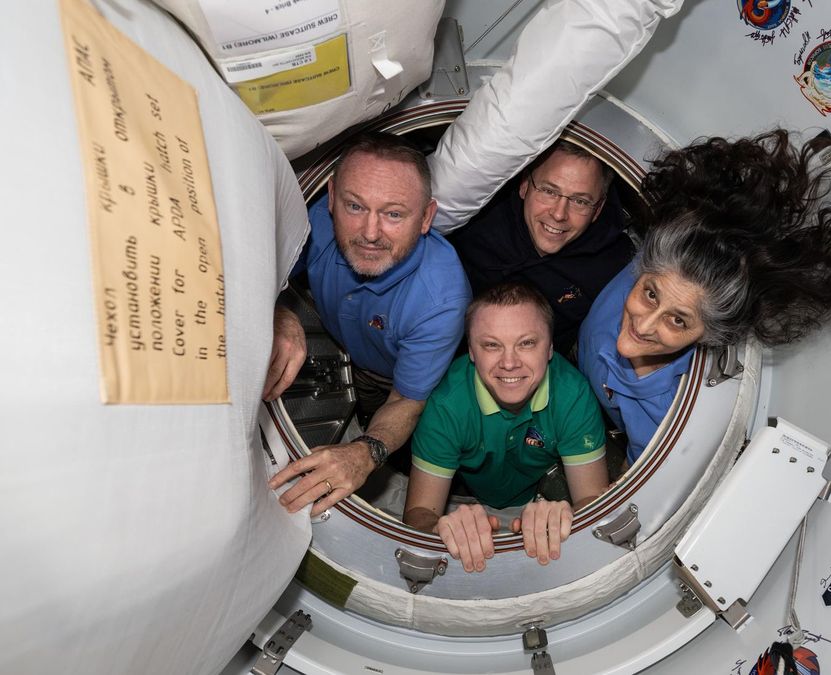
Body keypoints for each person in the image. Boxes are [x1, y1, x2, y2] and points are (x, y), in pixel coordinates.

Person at [579, 129, 831, 466]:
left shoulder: (668, 417)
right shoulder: (657, 270)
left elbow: (632, 472)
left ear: (709, 335)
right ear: (642, 270)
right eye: (650, 295)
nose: (645, 323)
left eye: (678, 320)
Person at [265, 133, 472, 514]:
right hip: (342, 346)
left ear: (426, 217)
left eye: (394, 214)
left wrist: (365, 452)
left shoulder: (439, 300)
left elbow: (408, 399)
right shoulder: (317, 224)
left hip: (391, 380)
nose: (370, 233)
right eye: (355, 206)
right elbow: (267, 267)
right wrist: (280, 309)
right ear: (330, 196)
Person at [403, 282, 609, 573]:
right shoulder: (447, 404)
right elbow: (418, 513)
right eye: (491, 345)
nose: (509, 363)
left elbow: (592, 500)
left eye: (526, 343)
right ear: (472, 352)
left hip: (538, 497)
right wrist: (439, 528)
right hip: (468, 499)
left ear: (550, 347)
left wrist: (568, 515)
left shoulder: (573, 394)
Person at [448, 141, 633, 358]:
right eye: (548, 191)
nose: (559, 214)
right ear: (524, 184)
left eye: (580, 201)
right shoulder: (475, 216)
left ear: (598, 209)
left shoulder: (614, 267)